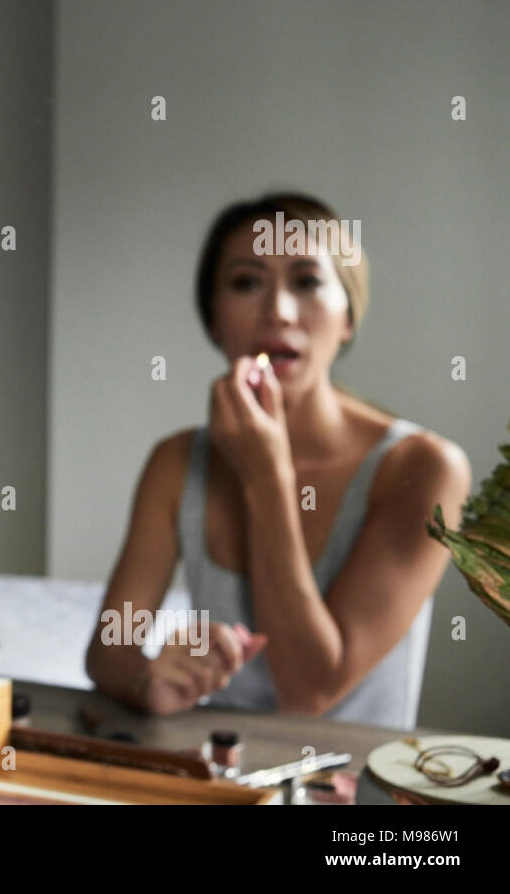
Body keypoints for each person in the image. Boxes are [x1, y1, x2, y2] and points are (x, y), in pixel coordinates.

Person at [85, 192, 471, 729]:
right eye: (246, 282)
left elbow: (307, 690)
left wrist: (266, 478)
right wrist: (147, 679)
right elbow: (109, 650)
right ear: (213, 321)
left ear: (348, 317)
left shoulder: (426, 471)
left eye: (308, 281)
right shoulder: (177, 464)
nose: (278, 312)